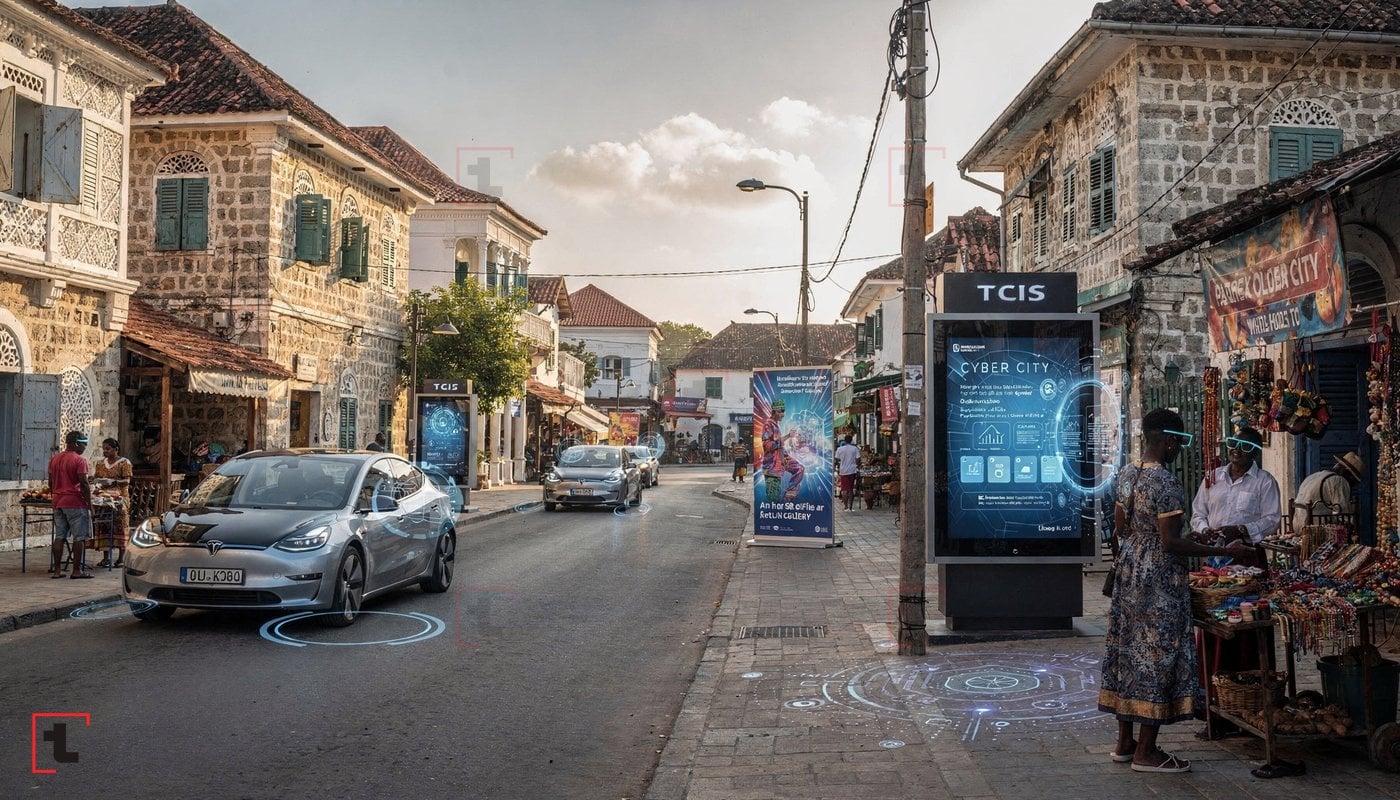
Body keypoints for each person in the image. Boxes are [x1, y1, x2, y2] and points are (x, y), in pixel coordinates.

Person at [1099, 409, 1254, 773]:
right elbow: (1170, 543)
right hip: (1158, 582)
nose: (1180, 449)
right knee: (1156, 655)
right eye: (1180, 443)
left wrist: (1170, 540)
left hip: (1130, 574)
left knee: (1127, 652)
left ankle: (1124, 742)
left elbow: (1122, 527)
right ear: (1169, 441)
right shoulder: (1167, 484)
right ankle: (1147, 751)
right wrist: (1222, 550)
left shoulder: (1127, 474)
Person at [1189, 427, 1279, 568]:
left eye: (1245, 446)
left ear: (1255, 452)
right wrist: (1205, 530)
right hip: (1213, 550)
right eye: (1233, 443)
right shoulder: (1213, 477)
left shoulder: (1265, 481)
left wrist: (1241, 529)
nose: (1237, 449)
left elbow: (1272, 520)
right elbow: (1198, 513)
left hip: (1247, 553)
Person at [48, 431, 95, 579]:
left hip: (58, 501)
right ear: (76, 443)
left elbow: (50, 482)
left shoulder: (54, 459)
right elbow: (84, 484)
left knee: (59, 536)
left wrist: (55, 495)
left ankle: (57, 571)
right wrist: (89, 504)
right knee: (79, 537)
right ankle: (76, 571)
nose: (84, 447)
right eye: (83, 444)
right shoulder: (79, 460)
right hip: (75, 502)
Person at [1291, 451, 1365, 533]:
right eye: (1353, 480)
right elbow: (1343, 513)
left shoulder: (1315, 476)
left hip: (1297, 525)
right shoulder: (1339, 481)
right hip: (1315, 529)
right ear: (1349, 474)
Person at [90, 437, 132, 568]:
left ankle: (121, 558)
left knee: (120, 525)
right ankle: (106, 558)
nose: (105, 451)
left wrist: (113, 481)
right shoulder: (100, 464)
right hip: (104, 497)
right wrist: (96, 481)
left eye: (108, 449)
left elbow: (127, 481)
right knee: (104, 525)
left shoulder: (124, 463)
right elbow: (96, 478)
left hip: (120, 498)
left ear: (116, 449)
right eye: (104, 449)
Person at [759, 399, 804, 502]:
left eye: (784, 411)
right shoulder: (768, 425)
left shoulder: (775, 425)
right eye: (781, 411)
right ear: (775, 412)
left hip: (780, 461)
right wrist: (788, 436)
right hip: (772, 468)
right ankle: (782, 503)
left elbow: (778, 447)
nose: (783, 414)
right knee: (773, 499)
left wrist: (786, 455)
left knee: (799, 469)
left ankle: (789, 496)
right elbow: (767, 446)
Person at [834, 436, 861, 510]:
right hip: (852, 471)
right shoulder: (855, 449)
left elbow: (836, 459)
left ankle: (846, 506)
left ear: (844, 441)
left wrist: (840, 463)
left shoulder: (840, 449)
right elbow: (858, 459)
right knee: (851, 489)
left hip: (843, 471)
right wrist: (856, 465)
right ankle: (850, 507)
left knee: (844, 490)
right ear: (851, 440)